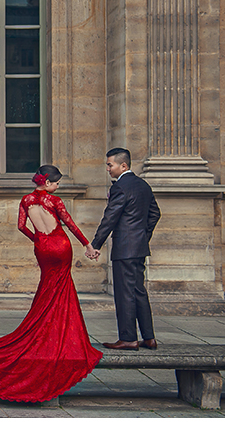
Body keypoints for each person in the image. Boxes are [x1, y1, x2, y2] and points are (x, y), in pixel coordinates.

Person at [0, 165, 103, 403]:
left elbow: (20, 226)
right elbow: (69, 224)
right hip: (60, 245)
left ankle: (43, 323)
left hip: (43, 247)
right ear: (47, 183)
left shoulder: (26, 200)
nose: (58, 186)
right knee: (61, 287)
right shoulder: (54, 200)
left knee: (48, 286)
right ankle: (56, 330)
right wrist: (88, 245)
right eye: (57, 182)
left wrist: (37, 239)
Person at [87, 148, 160, 350]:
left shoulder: (120, 187)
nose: (108, 169)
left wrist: (95, 244)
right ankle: (149, 337)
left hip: (125, 249)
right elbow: (155, 214)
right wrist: (143, 237)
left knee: (125, 293)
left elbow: (110, 218)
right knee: (139, 291)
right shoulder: (143, 185)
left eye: (110, 165)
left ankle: (128, 338)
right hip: (139, 248)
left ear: (123, 166)